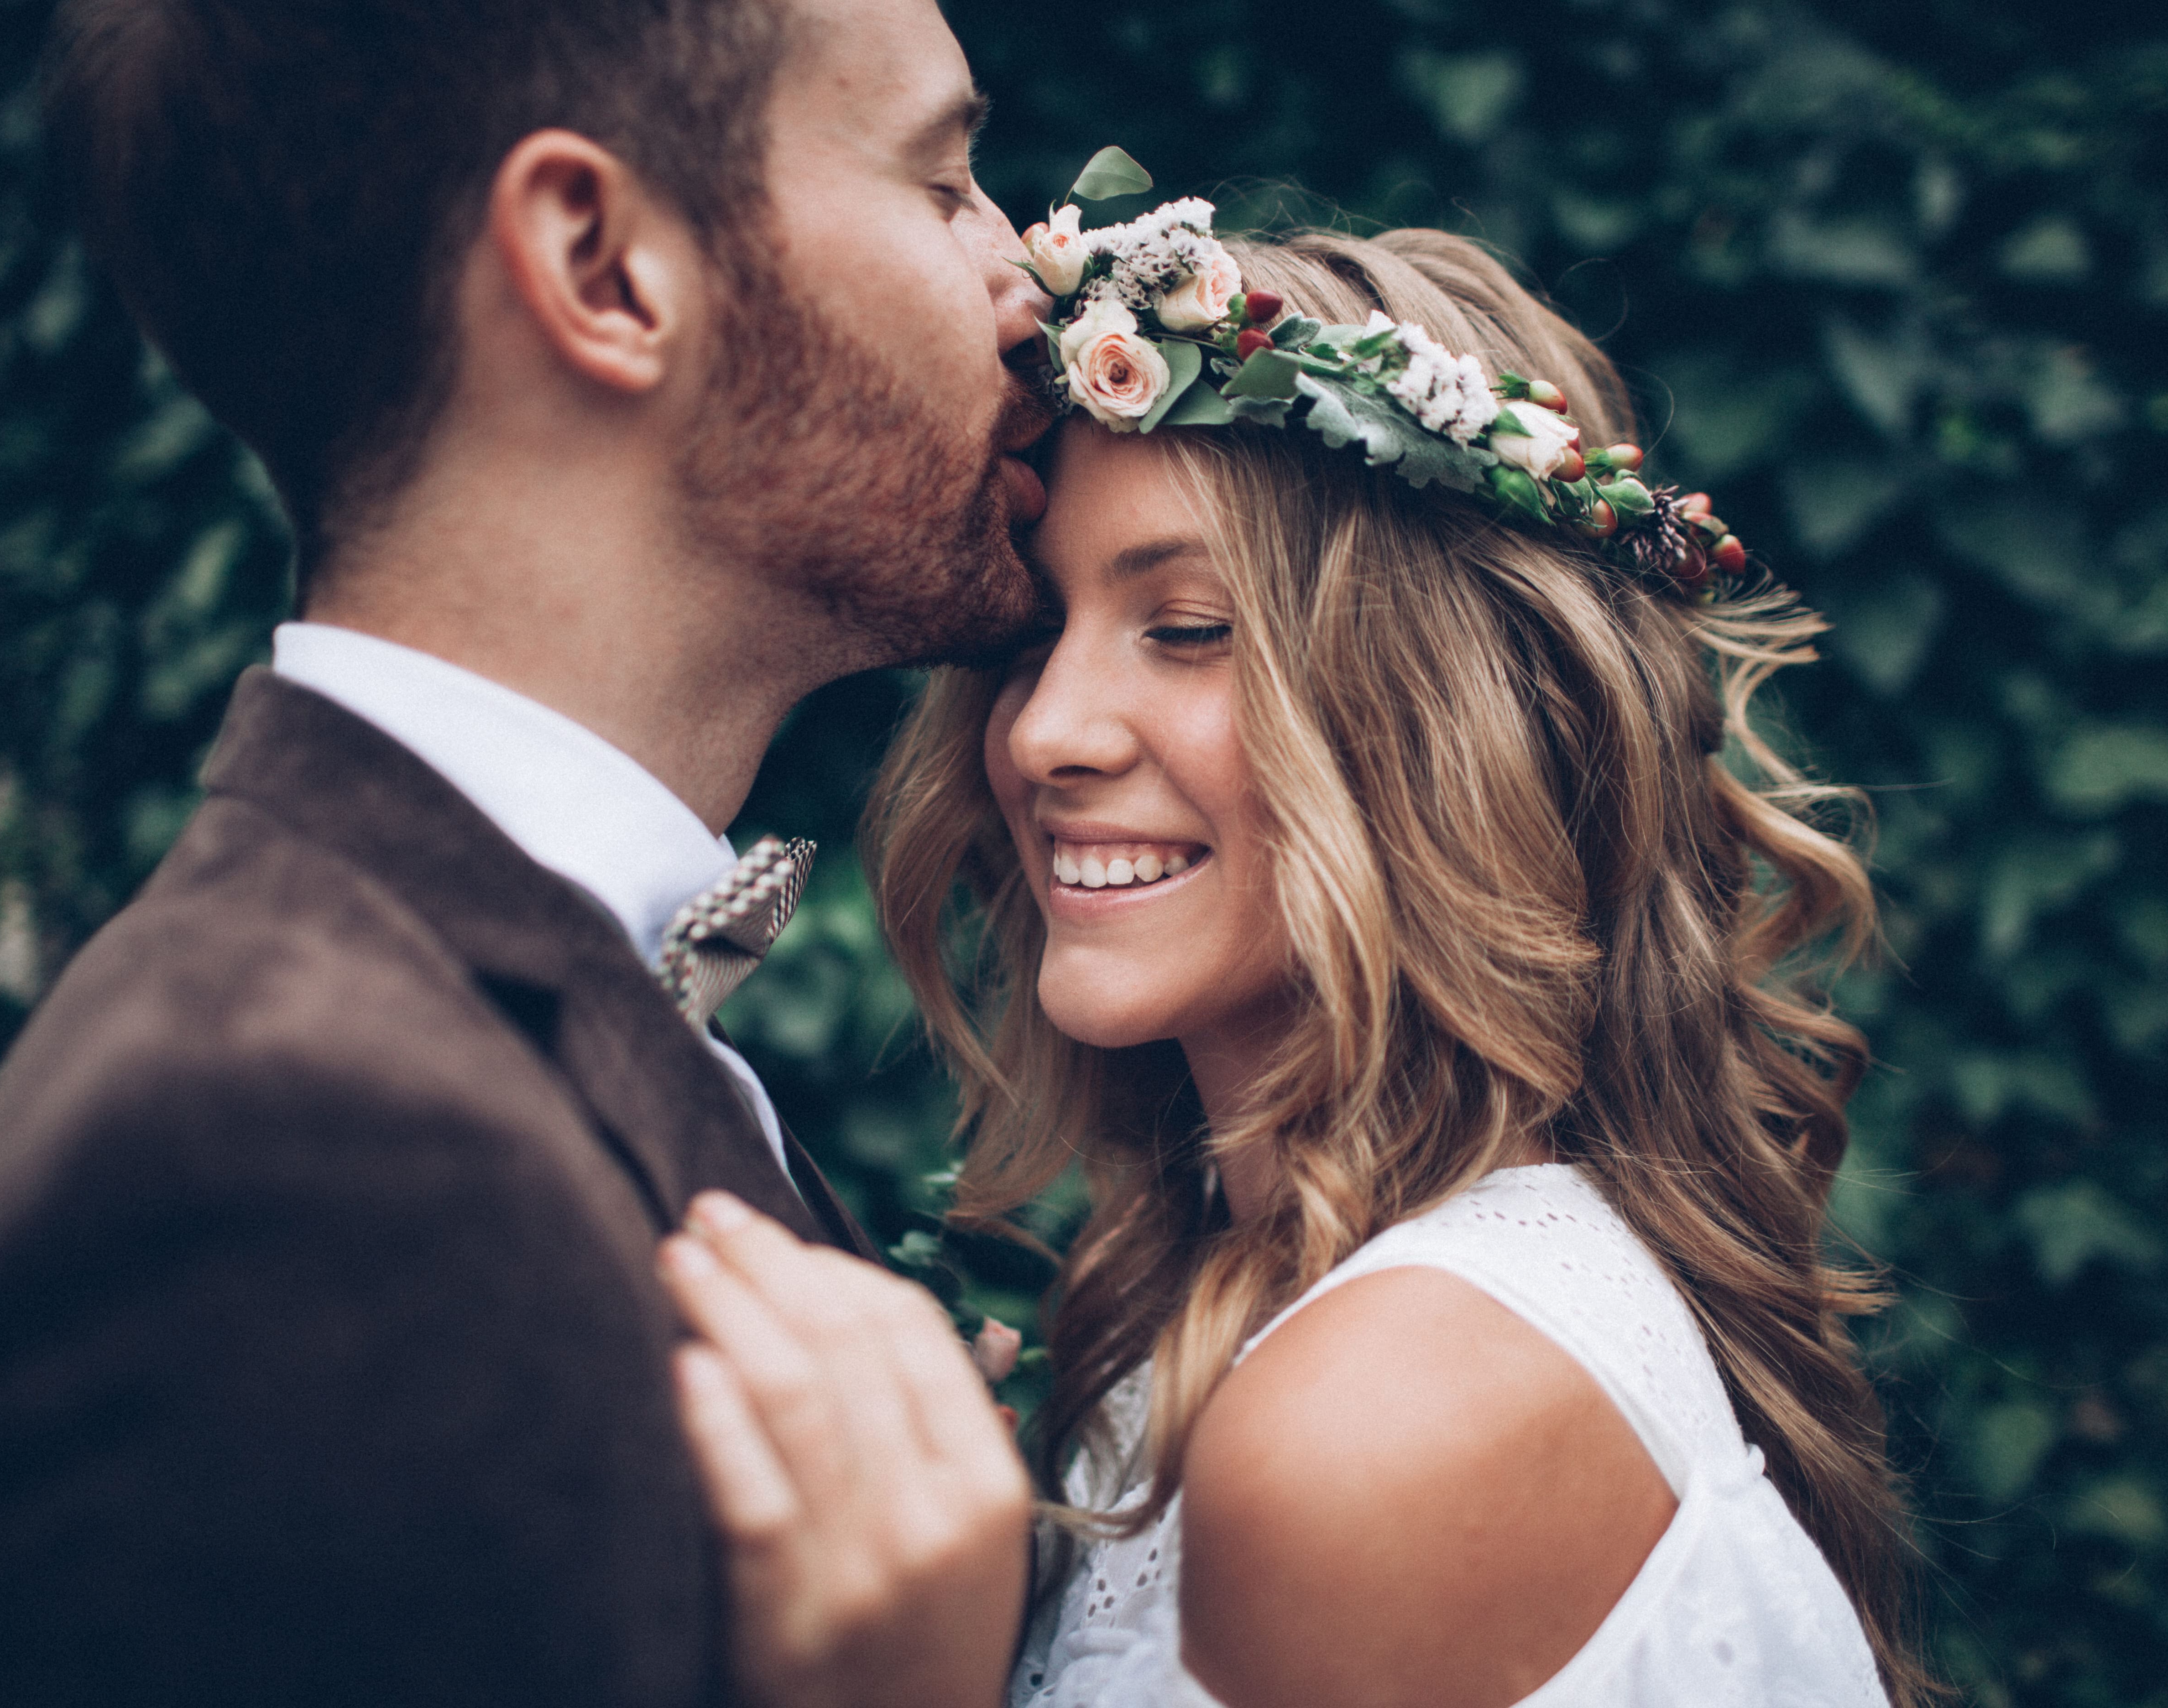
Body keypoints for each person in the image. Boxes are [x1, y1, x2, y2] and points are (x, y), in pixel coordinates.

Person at [0, 0, 1046, 1702]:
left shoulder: (453, 1010)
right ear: (603, 264)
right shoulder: (279, 1154)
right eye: (943, 182)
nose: (1030, 277)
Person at [660, 214, 1938, 1707]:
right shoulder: (1262, 1310)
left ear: (1450, 723)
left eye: (1189, 628)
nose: (1048, 732)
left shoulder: (1385, 1414)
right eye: (1037, 630)